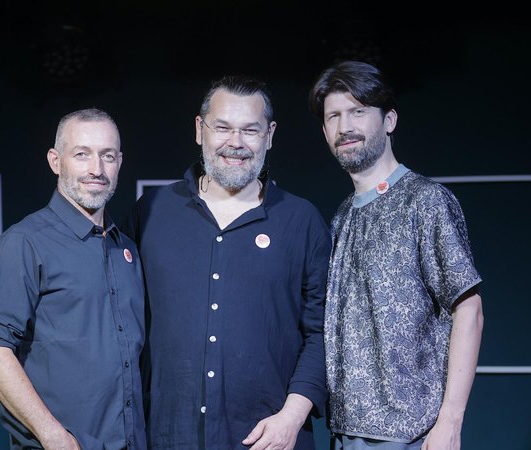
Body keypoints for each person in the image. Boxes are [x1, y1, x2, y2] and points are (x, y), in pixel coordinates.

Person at [125, 76, 331, 450]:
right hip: (168, 437)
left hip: (271, 440)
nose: (235, 143)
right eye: (222, 128)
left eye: (249, 130)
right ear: (199, 130)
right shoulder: (152, 213)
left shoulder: (302, 222)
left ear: (269, 135)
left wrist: (292, 417)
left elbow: (322, 334)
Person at [308, 60, 484, 450]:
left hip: (410, 435)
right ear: (324, 131)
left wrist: (450, 423)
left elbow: (468, 309)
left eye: (358, 112)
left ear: (389, 120)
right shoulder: (340, 217)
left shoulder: (425, 201)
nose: (345, 126)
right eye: (333, 116)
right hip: (343, 434)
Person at [0, 108, 146, 450]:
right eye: (82, 154)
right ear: (55, 160)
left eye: (107, 156)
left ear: (119, 162)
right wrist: (53, 436)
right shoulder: (25, 242)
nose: (96, 169)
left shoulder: (126, 250)